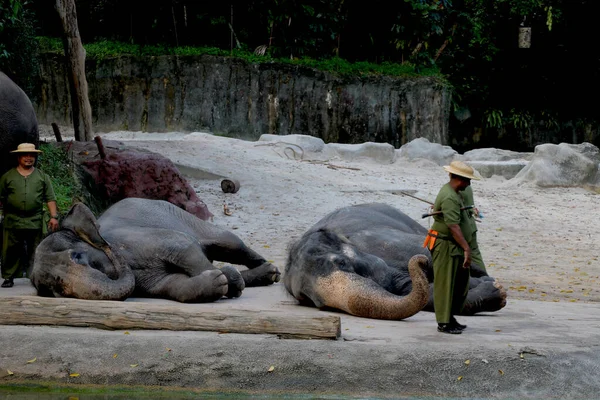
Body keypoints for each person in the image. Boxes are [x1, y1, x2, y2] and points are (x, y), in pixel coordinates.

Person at [424, 161, 480, 334]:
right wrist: (466, 248)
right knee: (445, 283)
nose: (469, 184)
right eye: (467, 180)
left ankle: (450, 316)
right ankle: (443, 322)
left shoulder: (456, 193)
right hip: (446, 245)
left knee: (459, 284)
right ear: (459, 179)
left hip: (455, 245)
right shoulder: (449, 196)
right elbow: (453, 226)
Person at [0, 143, 59, 288]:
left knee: (36, 248)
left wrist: (53, 217)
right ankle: (9, 277)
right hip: (12, 220)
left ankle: (36, 276)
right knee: (10, 249)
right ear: (18, 157)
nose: (28, 158)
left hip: (35, 220)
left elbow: (50, 198)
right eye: (25, 155)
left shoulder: (42, 177)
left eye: (32, 155)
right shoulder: (8, 177)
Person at [460, 185, 486, 273]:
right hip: (471, 225)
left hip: (464, 227)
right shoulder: (467, 186)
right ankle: (485, 276)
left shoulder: (458, 188)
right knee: (475, 253)